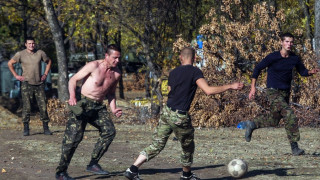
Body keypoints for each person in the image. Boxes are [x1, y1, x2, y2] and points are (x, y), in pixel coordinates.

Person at [124, 47, 244, 180]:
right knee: (187, 147)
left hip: (167, 112)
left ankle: (132, 169)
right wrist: (230, 86)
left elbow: (170, 91)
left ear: (181, 57)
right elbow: (208, 90)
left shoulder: (173, 72)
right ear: (194, 58)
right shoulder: (195, 71)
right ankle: (186, 175)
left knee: (156, 144)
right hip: (179, 116)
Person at [242, 32, 320, 156]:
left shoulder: (294, 58)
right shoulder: (272, 57)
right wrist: (253, 88)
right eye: (287, 41)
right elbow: (257, 69)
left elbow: (303, 72)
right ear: (281, 42)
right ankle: (295, 148)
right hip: (273, 91)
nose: (289, 44)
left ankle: (252, 124)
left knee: (274, 120)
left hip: (285, 93)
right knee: (289, 114)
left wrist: (311, 71)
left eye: (291, 42)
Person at [55, 44, 122, 180]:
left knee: (109, 131)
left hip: (98, 107)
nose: (117, 61)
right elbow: (73, 79)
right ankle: (61, 172)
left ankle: (93, 163)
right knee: (73, 139)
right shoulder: (93, 66)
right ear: (107, 56)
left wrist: (114, 108)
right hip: (83, 105)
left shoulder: (117, 73)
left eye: (119, 58)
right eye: (114, 58)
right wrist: (72, 96)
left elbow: (111, 93)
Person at [8, 36, 52, 136]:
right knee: (27, 107)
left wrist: (45, 74)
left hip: (39, 84)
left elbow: (49, 61)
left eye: (33, 43)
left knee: (43, 107)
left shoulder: (40, 53)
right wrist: (16, 75)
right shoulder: (20, 54)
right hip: (26, 84)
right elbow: (10, 63)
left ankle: (46, 127)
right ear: (26, 44)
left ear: (34, 44)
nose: (31, 45)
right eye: (29, 44)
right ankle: (26, 128)